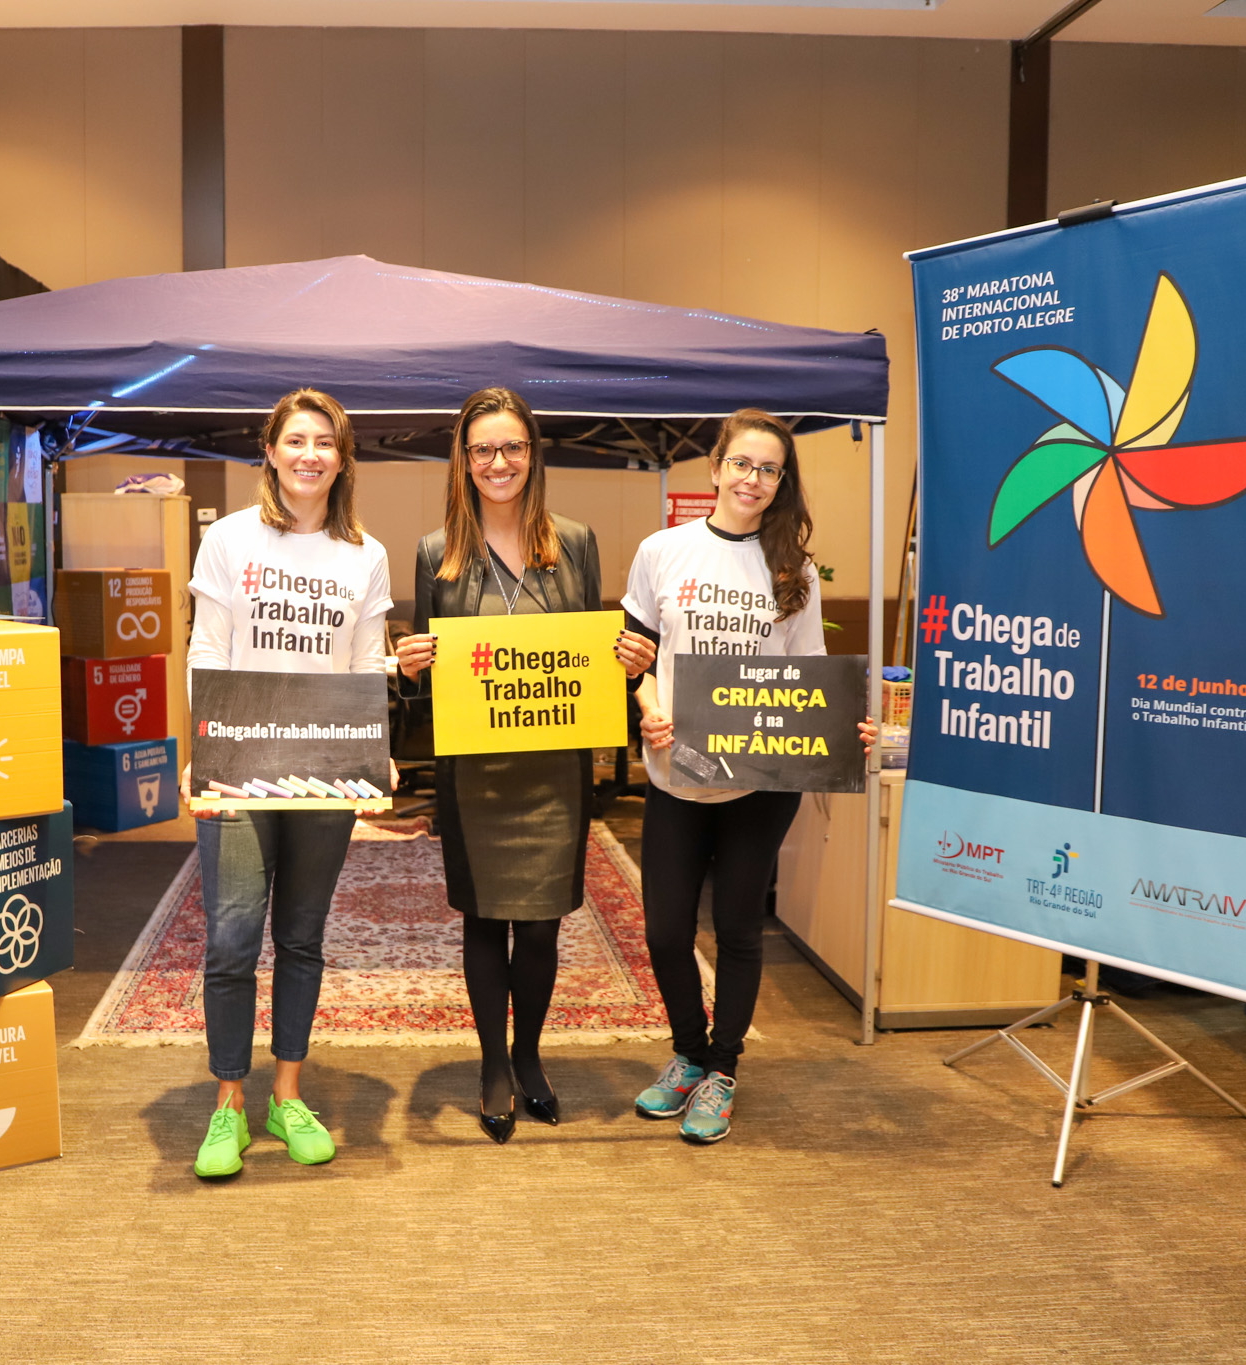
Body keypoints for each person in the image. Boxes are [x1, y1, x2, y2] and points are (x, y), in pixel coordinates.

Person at [393, 388, 655, 1143]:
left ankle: (530, 1054)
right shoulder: (433, 553)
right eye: (483, 450)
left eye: (512, 447)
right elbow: (431, 670)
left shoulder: (574, 541)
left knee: (541, 926)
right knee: (484, 919)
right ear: (464, 461)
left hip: (554, 771)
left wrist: (628, 657)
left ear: (533, 455)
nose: (498, 462)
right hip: (476, 771)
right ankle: (492, 1066)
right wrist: (414, 661)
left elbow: (594, 654)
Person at [621, 409, 874, 1144]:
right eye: (743, 463)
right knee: (667, 931)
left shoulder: (792, 568)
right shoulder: (662, 550)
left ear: (780, 481)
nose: (754, 479)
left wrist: (840, 726)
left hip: (761, 782)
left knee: (737, 925)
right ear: (716, 466)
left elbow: (799, 681)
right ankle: (688, 1053)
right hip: (677, 772)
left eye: (769, 469)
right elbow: (637, 651)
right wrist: (649, 706)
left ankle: (721, 1069)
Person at [184, 388, 394, 1178]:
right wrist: (199, 749)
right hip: (237, 770)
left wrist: (377, 751)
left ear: (342, 459)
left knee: (301, 936)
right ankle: (228, 1105)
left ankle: (289, 1093)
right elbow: (206, 649)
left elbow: (367, 663)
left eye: (325, 442)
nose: (310, 454)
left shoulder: (364, 553)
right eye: (295, 440)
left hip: (325, 769)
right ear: (268, 451)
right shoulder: (231, 539)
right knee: (233, 937)